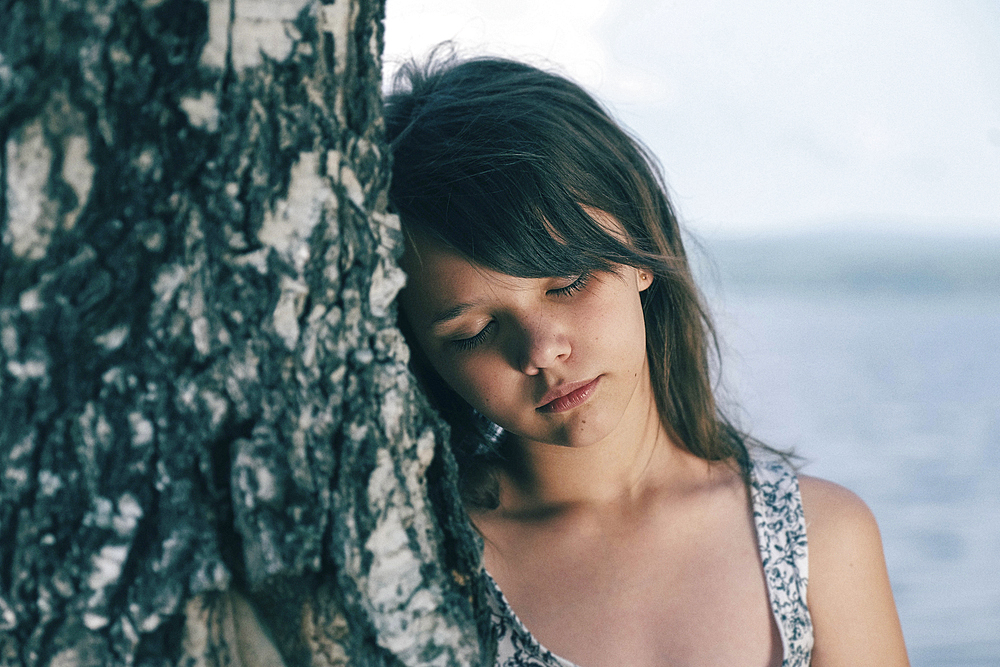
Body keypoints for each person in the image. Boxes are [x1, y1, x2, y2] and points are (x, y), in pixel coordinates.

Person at [383, 52, 909, 667]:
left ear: (638, 249)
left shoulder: (820, 541)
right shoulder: (421, 562)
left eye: (570, 280)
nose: (541, 350)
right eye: (473, 332)